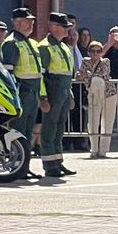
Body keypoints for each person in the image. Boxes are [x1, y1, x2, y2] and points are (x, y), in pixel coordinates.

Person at [3, 8, 43, 179]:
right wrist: (13, 97)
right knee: (18, 131)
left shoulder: (29, 42)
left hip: (32, 93)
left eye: (32, 20)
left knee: (28, 133)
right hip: (22, 93)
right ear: (17, 23)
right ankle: (15, 166)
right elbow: (9, 72)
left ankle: (24, 167)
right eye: (28, 20)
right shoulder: (12, 42)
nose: (32, 23)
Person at [37, 13, 78, 179]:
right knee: (49, 128)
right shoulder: (45, 47)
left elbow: (68, 74)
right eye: (64, 26)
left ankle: (57, 161)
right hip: (52, 90)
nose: (67, 29)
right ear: (53, 27)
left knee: (59, 128)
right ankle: (49, 164)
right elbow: (41, 75)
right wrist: (43, 98)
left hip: (63, 91)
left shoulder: (63, 47)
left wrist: (70, 95)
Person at [77, 40, 117, 159]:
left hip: (109, 94)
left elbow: (103, 75)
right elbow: (78, 75)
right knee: (92, 122)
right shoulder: (85, 61)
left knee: (107, 122)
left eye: (98, 51)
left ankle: (103, 150)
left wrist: (87, 75)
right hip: (94, 95)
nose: (95, 54)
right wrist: (86, 75)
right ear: (89, 52)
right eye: (93, 51)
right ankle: (94, 149)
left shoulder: (105, 61)